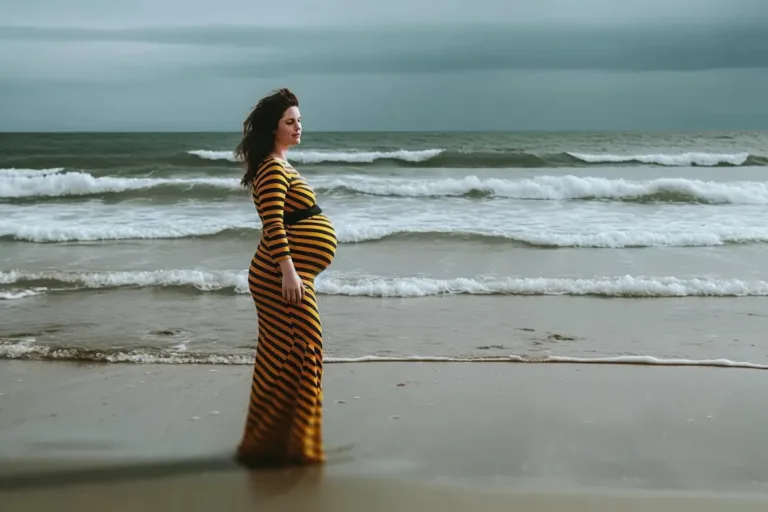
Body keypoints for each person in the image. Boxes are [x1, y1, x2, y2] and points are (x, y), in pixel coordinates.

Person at [233, 88, 337, 468]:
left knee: (284, 355)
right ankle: (292, 445)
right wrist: (289, 272)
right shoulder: (274, 168)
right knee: (303, 352)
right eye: (290, 122)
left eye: (299, 121)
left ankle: (272, 444)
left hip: (286, 274)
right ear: (273, 128)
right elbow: (272, 223)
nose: (298, 127)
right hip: (282, 276)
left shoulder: (278, 164)